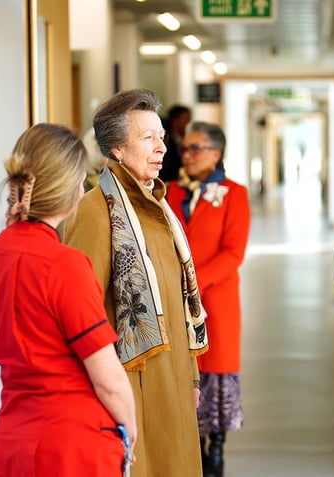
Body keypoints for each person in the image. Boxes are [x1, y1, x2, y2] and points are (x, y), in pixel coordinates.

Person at [0, 123, 137, 476]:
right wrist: (130, 430)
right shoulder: (66, 266)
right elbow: (107, 378)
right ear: (72, 189)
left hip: (13, 440)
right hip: (74, 444)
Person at [64, 88, 208, 477]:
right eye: (148, 138)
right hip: (132, 386)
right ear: (116, 149)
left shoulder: (160, 207)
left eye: (161, 136)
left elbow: (179, 302)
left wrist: (192, 377)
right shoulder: (95, 213)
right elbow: (80, 313)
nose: (162, 147)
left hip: (174, 379)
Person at [165, 122, 251, 477]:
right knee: (180, 370)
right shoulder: (167, 191)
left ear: (216, 153)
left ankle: (215, 448)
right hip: (171, 299)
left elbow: (234, 252)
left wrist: (193, 283)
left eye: (196, 148)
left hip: (214, 301)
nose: (187, 154)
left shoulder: (234, 193)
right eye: (185, 148)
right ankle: (191, 448)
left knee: (214, 371)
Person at [159, 104, 192, 183]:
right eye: (186, 119)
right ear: (175, 120)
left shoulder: (185, 140)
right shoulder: (163, 141)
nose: (189, 123)